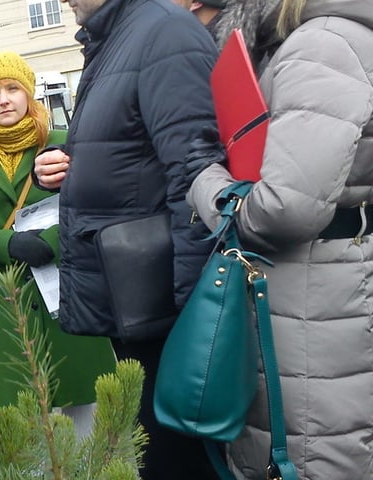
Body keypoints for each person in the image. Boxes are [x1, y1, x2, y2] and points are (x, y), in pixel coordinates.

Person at [32, 0, 220, 477]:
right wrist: (65, 166)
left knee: (176, 457)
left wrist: (194, 315)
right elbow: (129, 149)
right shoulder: (119, 35)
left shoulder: (163, 33)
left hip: (166, 308)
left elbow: (195, 177)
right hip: (139, 300)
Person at [186, 0, 373, 478]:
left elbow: (284, 211)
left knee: (308, 453)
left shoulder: (322, 45)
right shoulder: (327, 37)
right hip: (325, 283)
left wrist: (205, 180)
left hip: (311, 295)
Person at [0, 52, 116, 438]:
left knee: (82, 407)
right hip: (6, 301)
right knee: (20, 413)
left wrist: (50, 241)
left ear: (29, 94)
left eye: (12, 88)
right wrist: (11, 244)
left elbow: (92, 210)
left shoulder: (63, 142)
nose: (3, 99)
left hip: (67, 288)